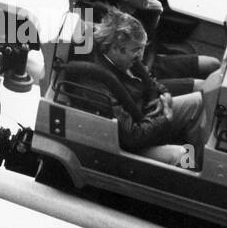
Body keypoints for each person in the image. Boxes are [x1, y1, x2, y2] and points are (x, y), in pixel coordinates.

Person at [66, 9, 208, 167]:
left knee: (199, 102)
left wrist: (164, 96)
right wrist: (164, 119)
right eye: (136, 51)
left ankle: (201, 162)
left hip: (147, 115)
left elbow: (153, 83)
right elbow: (131, 137)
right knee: (183, 156)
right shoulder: (96, 84)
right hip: (132, 142)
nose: (140, 57)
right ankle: (191, 177)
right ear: (117, 48)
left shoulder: (126, 60)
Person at [97, 0, 220, 93]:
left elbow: (151, 45)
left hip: (152, 64)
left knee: (213, 63)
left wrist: (156, 12)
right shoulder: (105, 18)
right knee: (204, 87)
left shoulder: (142, 12)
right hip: (138, 77)